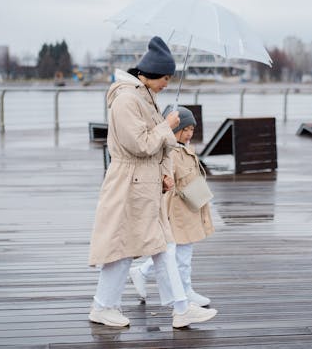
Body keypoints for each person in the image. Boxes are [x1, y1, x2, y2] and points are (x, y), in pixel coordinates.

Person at [88, 36, 217, 328]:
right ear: (153, 73)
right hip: (128, 183)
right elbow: (141, 144)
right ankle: (104, 306)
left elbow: (157, 147)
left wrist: (165, 171)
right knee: (125, 247)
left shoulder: (144, 97)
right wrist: (167, 125)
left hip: (145, 184)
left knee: (161, 245)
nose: (167, 84)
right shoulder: (125, 100)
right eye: (166, 77)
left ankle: (180, 306)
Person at [129, 106, 214, 307]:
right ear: (175, 129)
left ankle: (143, 272)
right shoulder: (170, 152)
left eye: (192, 130)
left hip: (189, 209)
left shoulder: (185, 149)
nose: (190, 134)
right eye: (186, 130)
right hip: (177, 212)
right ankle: (185, 290)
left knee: (176, 252)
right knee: (179, 254)